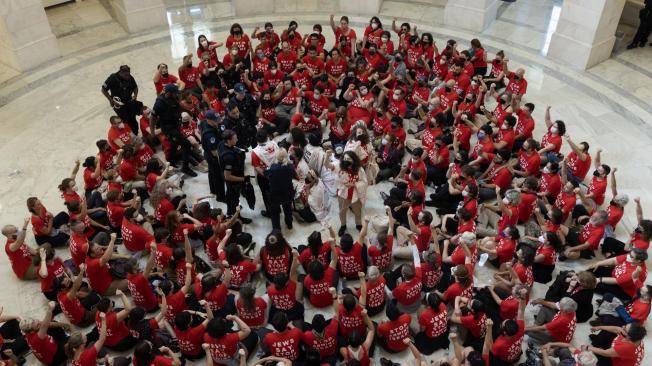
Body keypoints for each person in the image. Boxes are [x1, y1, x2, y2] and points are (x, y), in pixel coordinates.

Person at [151, 84, 197, 177]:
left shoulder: (174, 97)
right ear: (169, 93)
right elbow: (153, 118)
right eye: (174, 93)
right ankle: (185, 167)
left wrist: (189, 112)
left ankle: (170, 162)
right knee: (186, 144)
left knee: (174, 144)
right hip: (168, 128)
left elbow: (178, 106)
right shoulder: (159, 103)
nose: (177, 94)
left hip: (176, 124)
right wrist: (152, 132)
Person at [219, 130, 252, 223]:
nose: (237, 139)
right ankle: (236, 218)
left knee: (229, 196)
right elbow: (228, 176)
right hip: (233, 181)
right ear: (228, 140)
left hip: (229, 176)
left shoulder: (221, 144)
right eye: (235, 138)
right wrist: (243, 179)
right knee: (234, 199)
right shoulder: (228, 157)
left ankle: (230, 211)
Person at [102, 65, 140, 134]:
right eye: (126, 75)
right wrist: (111, 100)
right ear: (121, 72)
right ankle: (129, 134)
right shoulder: (112, 78)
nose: (128, 77)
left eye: (128, 74)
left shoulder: (129, 77)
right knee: (126, 120)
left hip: (129, 101)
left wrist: (135, 96)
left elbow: (135, 87)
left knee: (133, 119)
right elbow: (103, 90)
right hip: (119, 104)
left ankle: (135, 133)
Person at [266, 148, 296, 230]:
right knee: (287, 209)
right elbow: (294, 175)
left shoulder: (272, 168)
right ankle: (289, 224)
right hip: (287, 192)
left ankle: (277, 229)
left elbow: (268, 176)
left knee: (275, 212)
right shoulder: (290, 166)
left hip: (275, 194)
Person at [200, 110, 226, 202]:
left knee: (212, 173)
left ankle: (213, 190)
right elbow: (215, 152)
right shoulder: (209, 135)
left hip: (208, 154)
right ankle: (221, 197)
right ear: (209, 120)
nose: (218, 121)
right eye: (215, 120)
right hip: (213, 157)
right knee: (218, 177)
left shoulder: (204, 123)